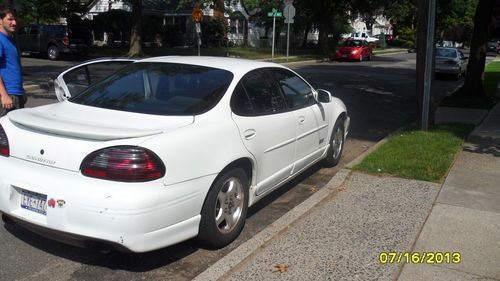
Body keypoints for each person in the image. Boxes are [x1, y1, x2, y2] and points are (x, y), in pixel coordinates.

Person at [0, 6, 24, 117]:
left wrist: (22, 92)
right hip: (7, 96)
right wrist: (4, 94)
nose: (14, 23)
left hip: (15, 94)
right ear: (0, 20)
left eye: (15, 19)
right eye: (10, 19)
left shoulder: (10, 40)